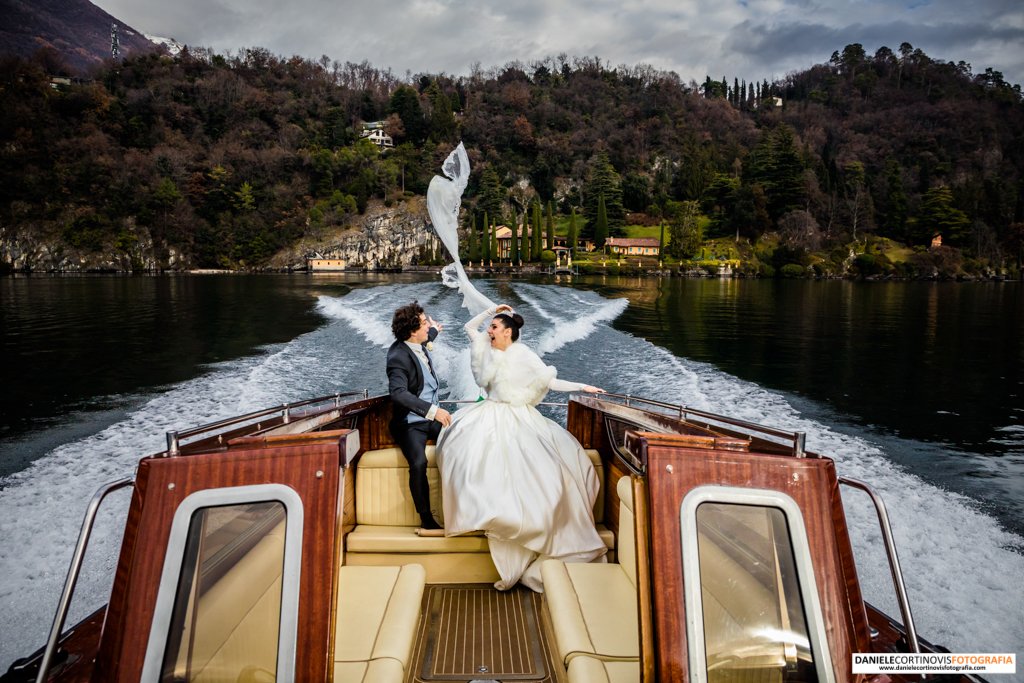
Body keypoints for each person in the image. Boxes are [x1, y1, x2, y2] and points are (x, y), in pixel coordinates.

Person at [435, 304, 608, 591]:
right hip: (488, 414)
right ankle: (489, 517)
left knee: (549, 469)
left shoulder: (525, 355)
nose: (489, 331)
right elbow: (469, 328)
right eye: (490, 327)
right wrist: (491, 310)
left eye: (494, 327)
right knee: (461, 455)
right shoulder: (485, 350)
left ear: (507, 332)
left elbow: (548, 380)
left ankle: (532, 533)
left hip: (518, 416)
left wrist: (582, 386)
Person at [387, 302, 452, 530]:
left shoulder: (419, 339)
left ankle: (460, 507)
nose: (428, 327)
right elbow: (398, 393)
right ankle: (426, 519)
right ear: (412, 332)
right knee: (418, 462)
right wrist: (433, 411)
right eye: (424, 324)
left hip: (431, 419)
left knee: (462, 440)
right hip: (410, 423)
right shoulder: (398, 358)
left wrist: (435, 330)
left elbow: (429, 337)